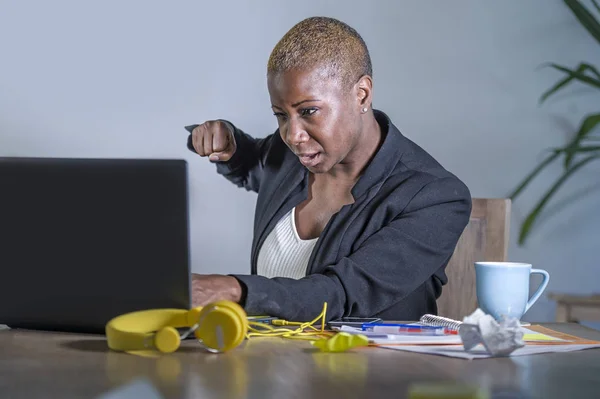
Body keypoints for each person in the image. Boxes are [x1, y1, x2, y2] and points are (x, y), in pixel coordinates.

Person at [185, 16, 472, 322]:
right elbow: (251, 163)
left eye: (309, 111)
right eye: (281, 115)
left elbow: (343, 293)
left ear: (361, 94)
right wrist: (227, 140)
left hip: (378, 368)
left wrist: (237, 290)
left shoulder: (435, 197)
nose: (292, 135)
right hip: (269, 363)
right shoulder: (289, 156)